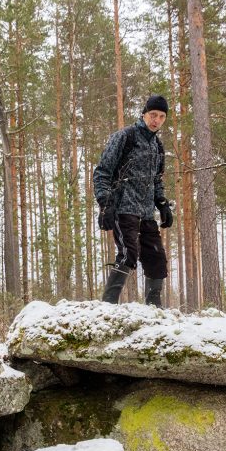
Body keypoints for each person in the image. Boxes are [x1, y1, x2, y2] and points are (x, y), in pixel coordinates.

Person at [93, 94, 174, 307]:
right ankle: (107, 307)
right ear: (144, 114)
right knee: (129, 253)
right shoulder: (125, 137)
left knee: (157, 259)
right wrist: (105, 204)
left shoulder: (158, 146)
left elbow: (157, 180)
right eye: (153, 114)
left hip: (146, 212)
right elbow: (102, 172)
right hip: (123, 207)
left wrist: (162, 203)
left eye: (161, 116)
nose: (156, 120)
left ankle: (154, 311)